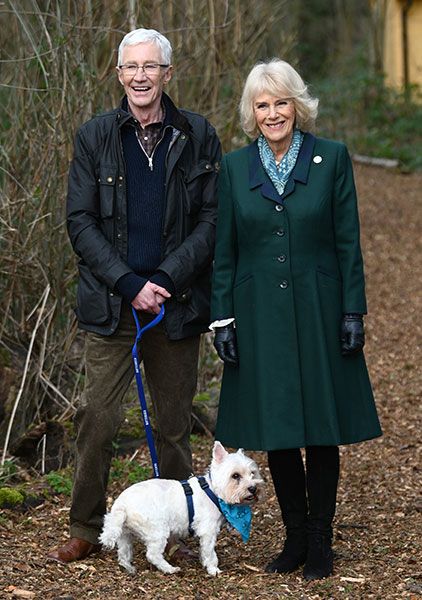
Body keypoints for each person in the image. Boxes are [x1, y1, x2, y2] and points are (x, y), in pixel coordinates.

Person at [48, 28, 221, 564]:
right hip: (112, 304)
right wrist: (129, 283)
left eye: (152, 66)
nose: (141, 76)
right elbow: (79, 221)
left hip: (177, 302)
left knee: (173, 425)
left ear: (168, 73)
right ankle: (86, 526)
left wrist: (166, 277)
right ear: (119, 74)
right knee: (97, 417)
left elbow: (212, 219)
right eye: (132, 67)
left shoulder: (197, 134)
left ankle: (178, 530)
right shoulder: (95, 136)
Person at [210, 59, 382, 581]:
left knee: (319, 427)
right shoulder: (235, 168)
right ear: (252, 112)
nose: (272, 113)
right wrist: (223, 319)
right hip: (259, 313)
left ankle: (322, 542)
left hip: (319, 309)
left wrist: (353, 310)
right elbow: (226, 251)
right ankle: (293, 541)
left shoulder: (331, 159)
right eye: (262, 105)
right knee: (279, 429)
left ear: (297, 105)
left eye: (281, 102)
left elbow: (348, 241)